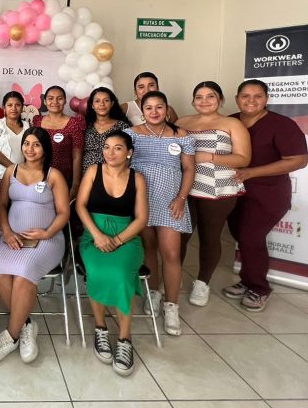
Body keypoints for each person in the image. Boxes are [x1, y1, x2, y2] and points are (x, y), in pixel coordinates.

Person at [0, 127, 69, 365]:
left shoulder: (53, 175)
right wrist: (7, 232)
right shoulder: (12, 171)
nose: (30, 149)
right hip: (13, 238)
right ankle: (27, 324)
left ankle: (10, 336)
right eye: (27, 143)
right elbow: (1, 206)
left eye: (36, 144)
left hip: (47, 240)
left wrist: (47, 232)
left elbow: (63, 212)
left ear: (45, 149)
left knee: (23, 273)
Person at [223, 80, 308, 312]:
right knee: (241, 236)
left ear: (266, 99)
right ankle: (248, 280)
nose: (251, 101)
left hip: (268, 194)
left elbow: (299, 160)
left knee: (251, 237)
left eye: (257, 96)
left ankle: (259, 288)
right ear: (237, 98)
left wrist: (252, 172)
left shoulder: (281, 125)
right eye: (245, 96)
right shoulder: (230, 121)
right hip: (234, 192)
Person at [76, 131, 148, 376]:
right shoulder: (93, 171)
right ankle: (100, 328)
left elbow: (141, 219)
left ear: (129, 152)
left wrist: (117, 240)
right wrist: (97, 235)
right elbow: (80, 206)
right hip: (93, 235)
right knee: (97, 270)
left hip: (127, 237)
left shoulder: (137, 178)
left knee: (121, 274)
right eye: (106, 147)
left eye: (118, 148)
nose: (110, 152)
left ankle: (125, 339)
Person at [125, 91, 195, 336]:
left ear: (167, 109)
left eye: (159, 107)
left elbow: (189, 169)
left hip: (170, 202)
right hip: (141, 201)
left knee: (172, 253)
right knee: (149, 247)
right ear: (142, 111)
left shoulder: (181, 135)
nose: (154, 112)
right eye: (149, 108)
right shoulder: (131, 134)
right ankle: (153, 292)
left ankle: (172, 305)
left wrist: (181, 198)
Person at [177, 81, 251, 307]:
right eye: (199, 97)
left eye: (210, 96)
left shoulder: (232, 124)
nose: (204, 101)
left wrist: (208, 157)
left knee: (209, 236)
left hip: (218, 189)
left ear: (220, 99)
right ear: (193, 101)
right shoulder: (181, 122)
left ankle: (202, 282)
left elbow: (243, 159)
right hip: (185, 187)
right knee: (179, 236)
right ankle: (174, 276)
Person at [32, 85, 85, 199]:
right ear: (45, 101)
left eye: (59, 98)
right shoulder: (37, 121)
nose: (55, 102)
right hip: (38, 177)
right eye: (50, 98)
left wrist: (75, 185)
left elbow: (77, 156)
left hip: (64, 178)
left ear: (65, 101)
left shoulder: (74, 123)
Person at [82, 87, 130, 173]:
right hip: (86, 174)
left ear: (112, 103)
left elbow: (128, 153)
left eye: (106, 100)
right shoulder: (85, 125)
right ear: (92, 105)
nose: (102, 104)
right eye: (97, 101)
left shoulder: (122, 126)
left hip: (113, 175)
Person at [0, 91, 30, 185]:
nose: (13, 108)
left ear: (22, 108)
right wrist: (14, 168)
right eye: (9, 105)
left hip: (21, 178)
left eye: (17, 105)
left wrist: (23, 172)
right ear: (4, 108)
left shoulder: (28, 126)